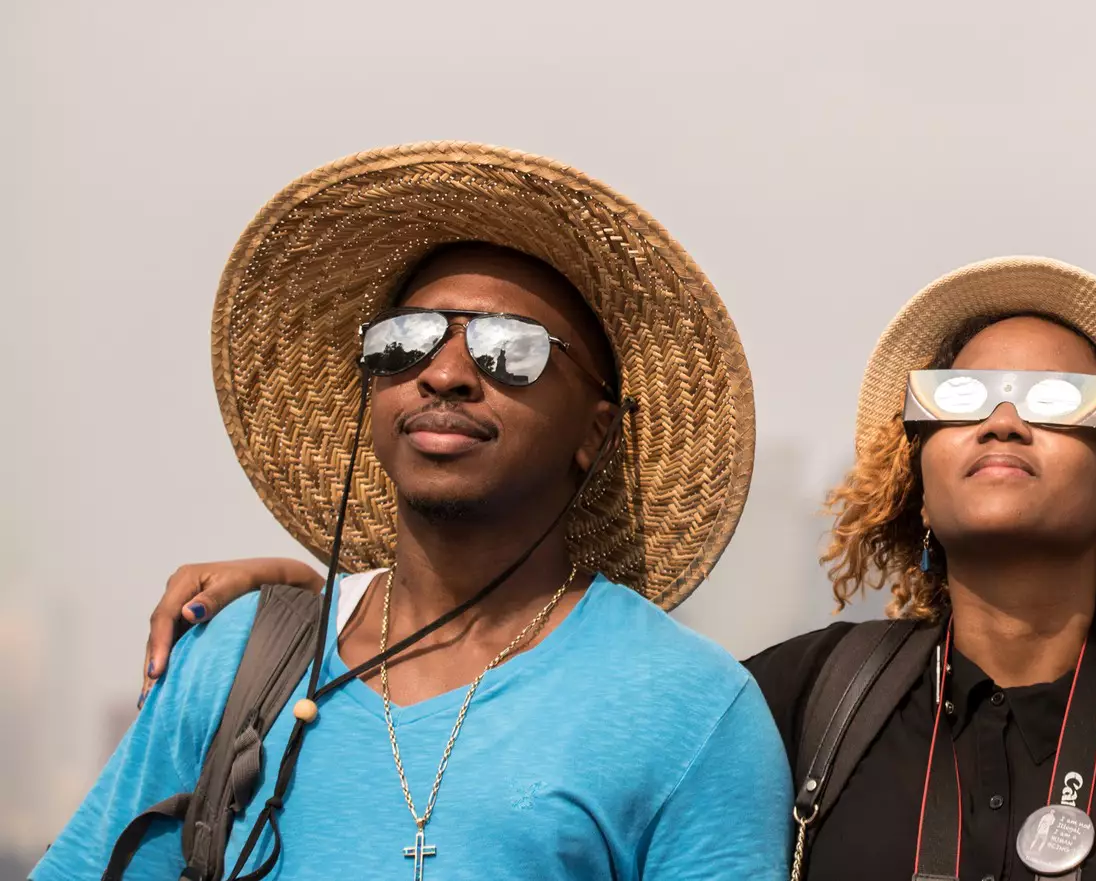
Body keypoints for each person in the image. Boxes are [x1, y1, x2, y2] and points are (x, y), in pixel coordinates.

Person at [138, 256, 1096, 881]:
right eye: (957, 395)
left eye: (1054, 400)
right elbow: (560, 673)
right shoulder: (794, 699)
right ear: (911, 469)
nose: (1000, 418)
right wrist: (332, 598)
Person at [38, 143, 791, 880]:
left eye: (511, 348)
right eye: (405, 340)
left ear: (594, 432)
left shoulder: (688, 708)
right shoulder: (235, 658)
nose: (446, 372)